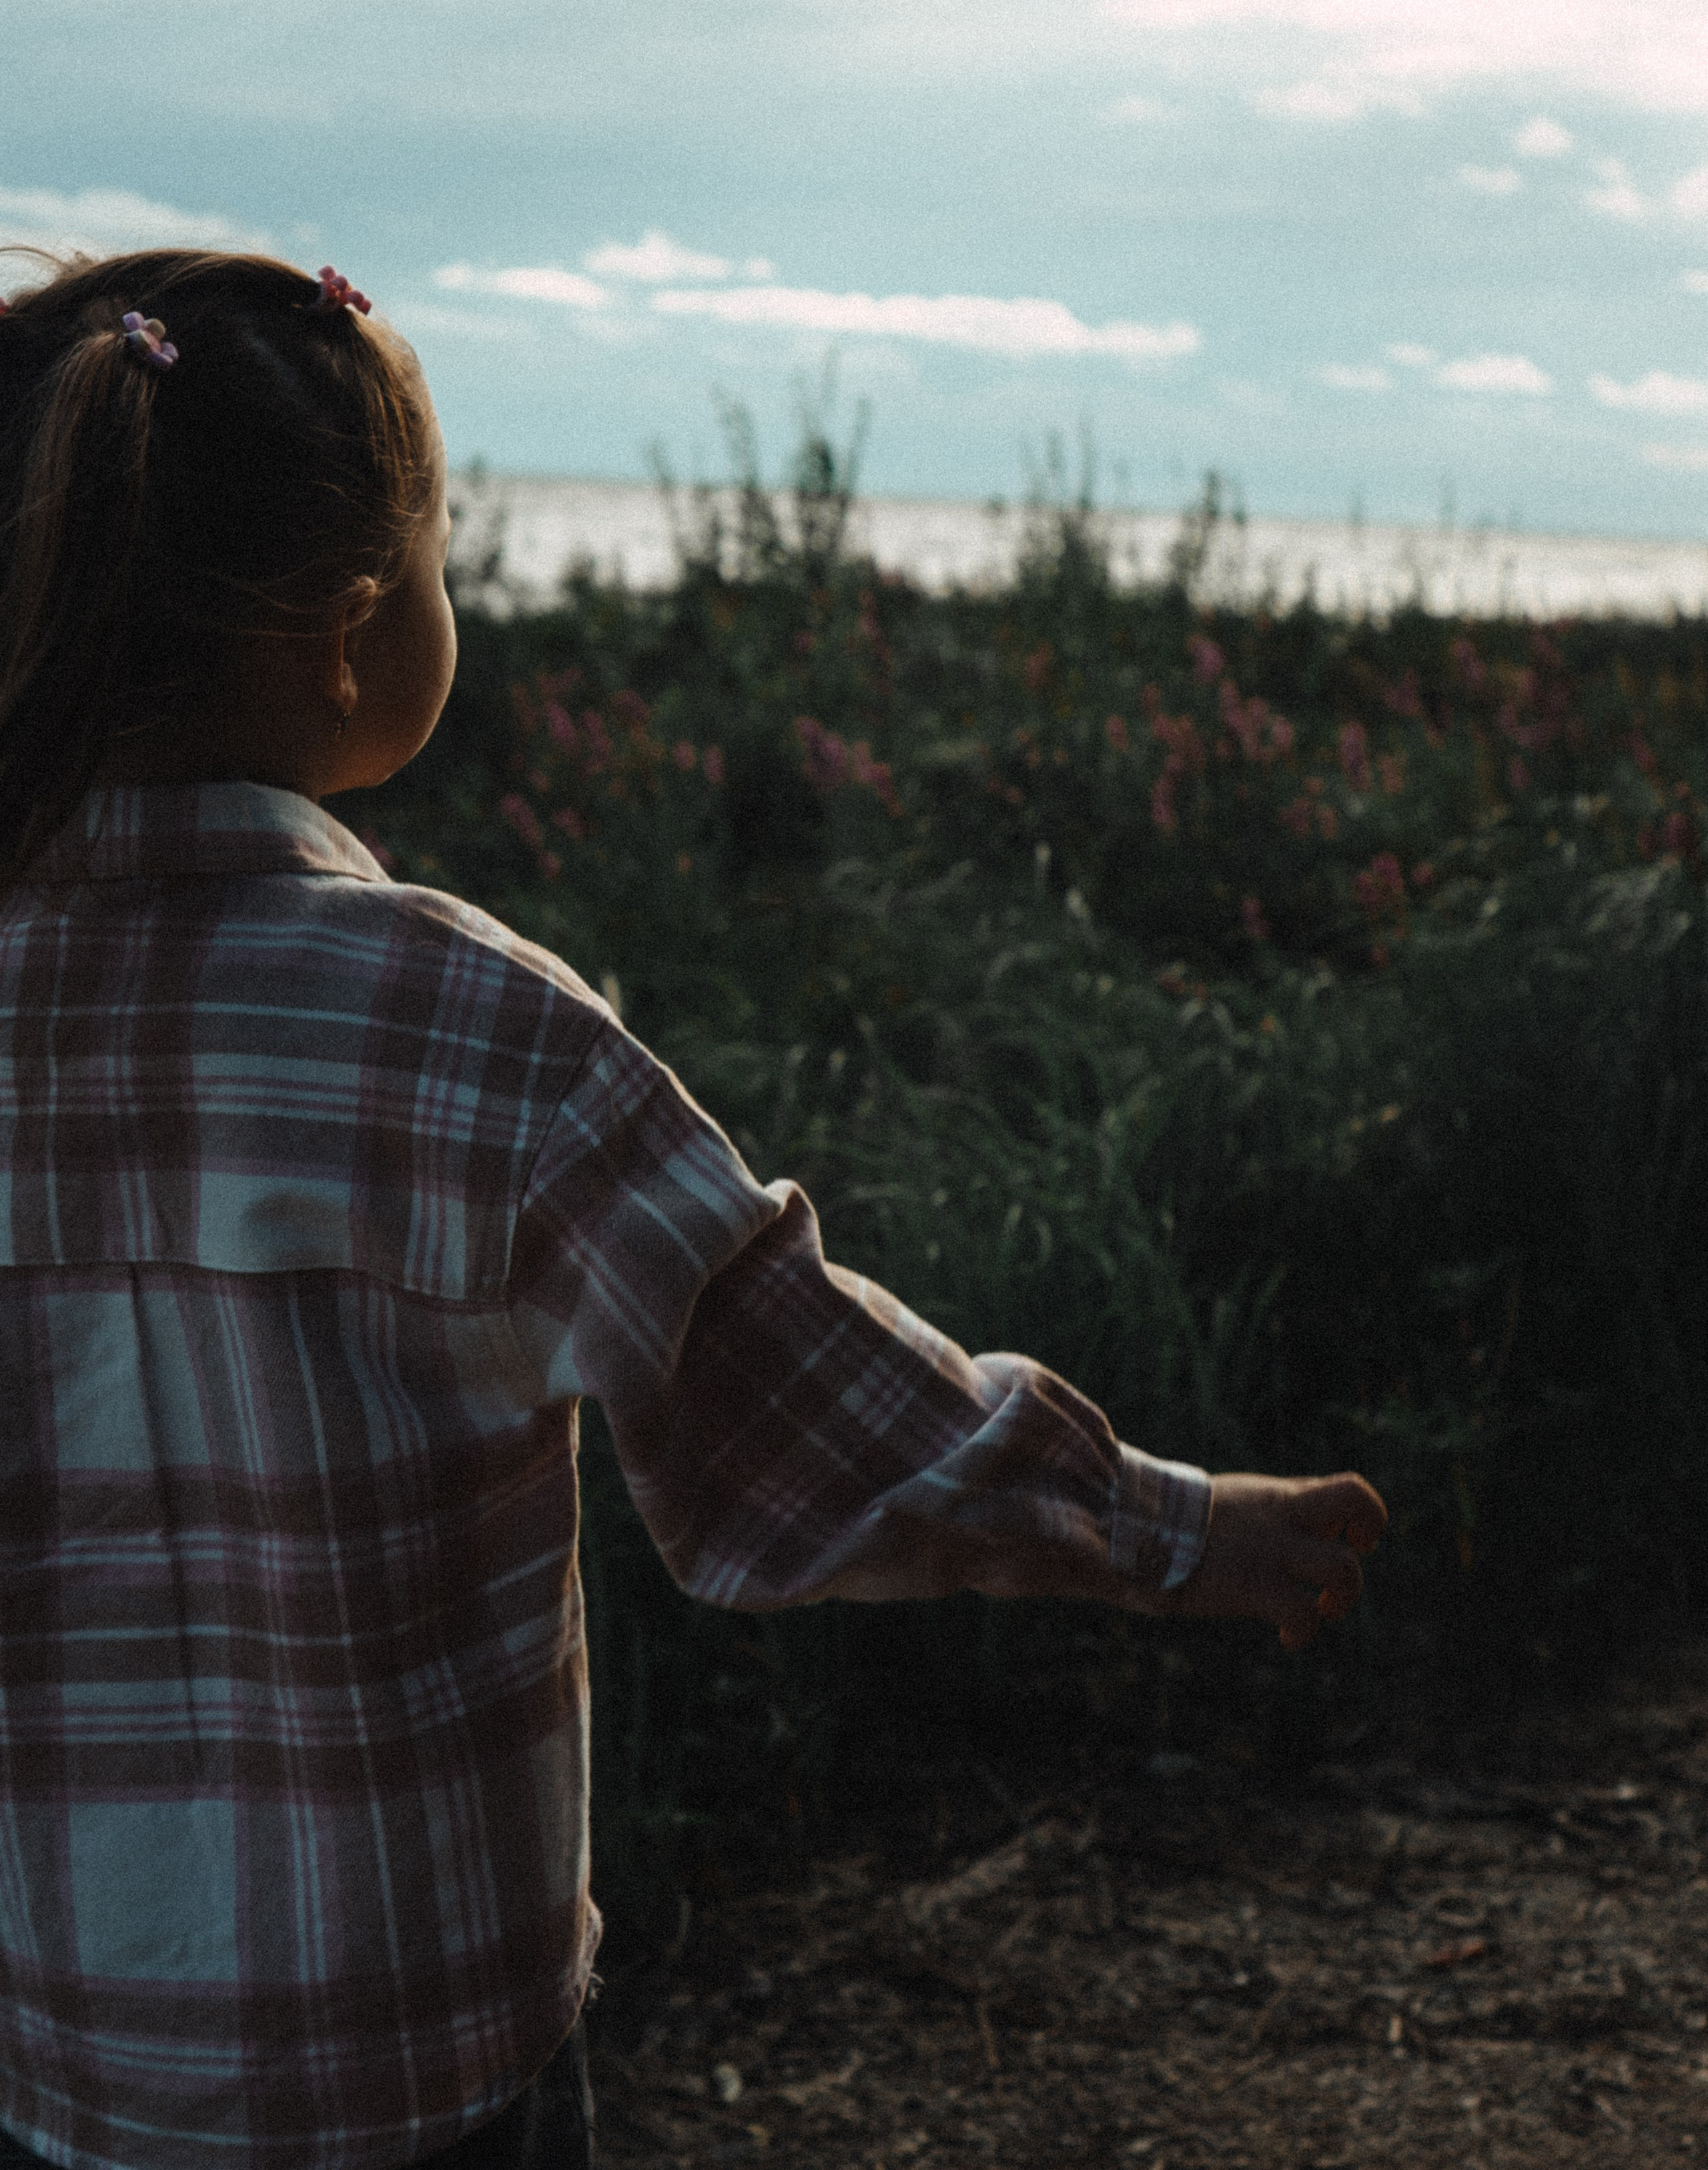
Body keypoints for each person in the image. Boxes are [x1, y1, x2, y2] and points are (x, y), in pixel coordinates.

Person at [0, 249, 1386, 2170]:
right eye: (443, 556)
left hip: (62, 2059)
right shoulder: (469, 1032)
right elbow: (795, 1414)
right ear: (351, 633)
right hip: (417, 2066)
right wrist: (1169, 1528)